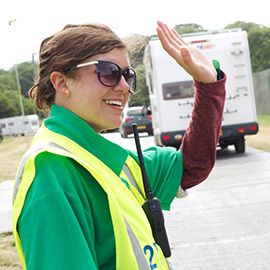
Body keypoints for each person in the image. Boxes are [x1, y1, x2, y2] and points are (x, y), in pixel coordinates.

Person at [12, 21, 226, 270]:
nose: (124, 87)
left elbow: (191, 165)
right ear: (62, 83)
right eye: (108, 72)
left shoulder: (103, 158)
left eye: (128, 75)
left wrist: (209, 85)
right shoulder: (51, 172)